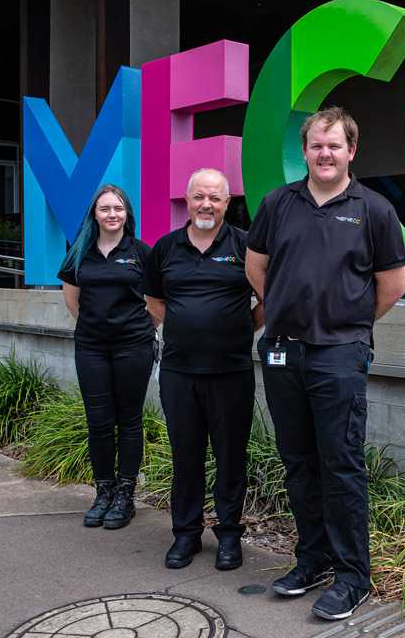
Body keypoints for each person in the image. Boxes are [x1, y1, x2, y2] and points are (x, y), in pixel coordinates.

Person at [244, 106, 405, 620]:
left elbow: (392, 285)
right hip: (283, 351)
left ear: (351, 151)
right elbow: (257, 269)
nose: (325, 153)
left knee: (340, 464)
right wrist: (293, 307)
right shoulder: (277, 204)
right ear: (305, 150)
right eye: (316, 145)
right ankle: (311, 559)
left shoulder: (375, 209)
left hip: (339, 353)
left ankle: (352, 575)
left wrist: (346, 323)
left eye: (334, 145)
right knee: (298, 461)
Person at [145, 169, 263, 570]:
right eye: (199, 197)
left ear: (228, 203)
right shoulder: (165, 248)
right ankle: (186, 534)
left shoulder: (246, 246)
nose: (206, 205)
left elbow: (267, 296)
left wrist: (242, 326)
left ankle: (229, 535)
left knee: (231, 456)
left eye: (215, 198)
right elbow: (154, 300)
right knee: (186, 455)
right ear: (187, 200)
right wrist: (186, 327)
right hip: (180, 374)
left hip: (231, 372)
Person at [58, 184, 156, 531]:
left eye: (118, 208)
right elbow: (73, 301)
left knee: (129, 420)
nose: (112, 214)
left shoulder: (142, 253)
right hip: (92, 348)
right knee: (98, 422)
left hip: (134, 347)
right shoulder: (78, 252)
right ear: (94, 214)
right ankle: (103, 492)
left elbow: (157, 303)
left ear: (127, 214)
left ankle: (125, 495)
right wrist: (97, 327)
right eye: (105, 209)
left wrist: (140, 328)